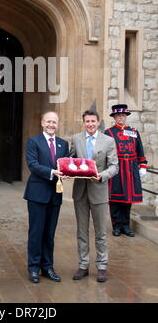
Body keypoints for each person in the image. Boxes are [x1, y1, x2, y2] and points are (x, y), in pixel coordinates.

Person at [70, 109, 118, 283]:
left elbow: (114, 166)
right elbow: (72, 159)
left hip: (99, 190)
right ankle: (83, 265)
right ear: (83, 122)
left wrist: (102, 176)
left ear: (98, 122)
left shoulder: (108, 141)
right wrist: (67, 168)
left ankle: (102, 266)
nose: (90, 124)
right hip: (80, 191)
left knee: (101, 232)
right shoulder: (76, 139)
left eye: (93, 121)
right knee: (82, 231)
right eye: (87, 121)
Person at [24, 111, 69, 284]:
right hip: (37, 194)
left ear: (58, 124)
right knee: (36, 233)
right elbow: (33, 164)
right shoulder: (33, 141)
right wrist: (52, 172)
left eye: (54, 122)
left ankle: (47, 266)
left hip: (55, 195)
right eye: (48, 121)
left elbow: (66, 163)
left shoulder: (63, 144)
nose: (51, 125)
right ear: (42, 123)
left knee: (49, 233)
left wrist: (69, 172)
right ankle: (34, 268)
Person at [104, 104, 148, 237]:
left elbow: (140, 149)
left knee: (128, 199)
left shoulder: (133, 132)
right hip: (116, 168)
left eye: (123, 115)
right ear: (114, 117)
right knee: (116, 199)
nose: (121, 118)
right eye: (118, 116)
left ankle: (126, 226)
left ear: (126, 116)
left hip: (131, 168)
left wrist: (143, 166)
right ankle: (116, 226)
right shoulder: (109, 133)